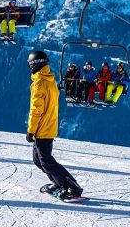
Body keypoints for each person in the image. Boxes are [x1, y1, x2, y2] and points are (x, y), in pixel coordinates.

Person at [26, 50, 83, 200]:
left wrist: (31, 130)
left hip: (42, 128)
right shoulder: (50, 80)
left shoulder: (39, 83)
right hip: (49, 125)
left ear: (33, 65)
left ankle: (72, 186)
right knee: (38, 160)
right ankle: (58, 183)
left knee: (46, 161)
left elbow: (36, 110)